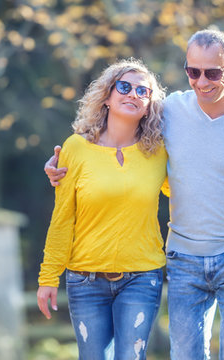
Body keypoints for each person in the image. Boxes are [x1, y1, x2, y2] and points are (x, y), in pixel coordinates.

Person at [45, 29, 224, 359]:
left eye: (213, 72)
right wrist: (60, 165)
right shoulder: (170, 111)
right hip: (184, 259)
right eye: (192, 71)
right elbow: (115, 135)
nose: (202, 81)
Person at [36, 58, 168, 360]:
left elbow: (184, 193)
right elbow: (62, 219)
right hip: (85, 279)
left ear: (149, 105)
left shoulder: (159, 152)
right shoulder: (75, 148)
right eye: (124, 87)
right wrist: (48, 277)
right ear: (107, 97)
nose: (133, 94)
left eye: (143, 91)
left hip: (142, 275)